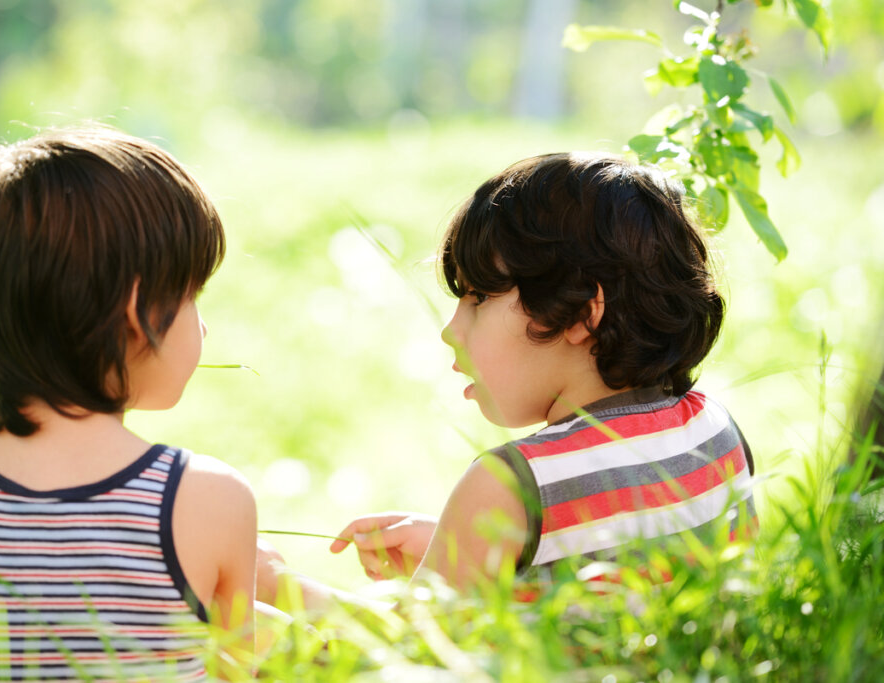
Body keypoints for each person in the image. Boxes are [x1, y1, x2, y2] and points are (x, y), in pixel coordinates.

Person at [258, 152, 756, 606]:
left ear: (581, 315)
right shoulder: (713, 429)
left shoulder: (511, 486)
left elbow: (404, 656)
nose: (451, 330)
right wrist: (483, 549)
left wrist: (280, 587)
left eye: (477, 298)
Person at [0, 127, 256, 682]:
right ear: (135, 313)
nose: (204, 323)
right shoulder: (208, 499)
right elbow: (238, 672)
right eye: (192, 294)